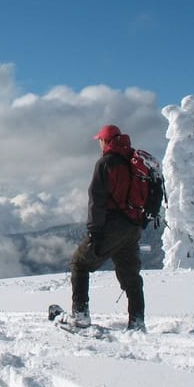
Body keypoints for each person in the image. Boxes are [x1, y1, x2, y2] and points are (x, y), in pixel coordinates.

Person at [68, 124, 146, 331]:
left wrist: (94, 231)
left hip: (112, 225)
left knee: (79, 263)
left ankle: (80, 316)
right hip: (133, 226)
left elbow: (97, 199)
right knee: (130, 275)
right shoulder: (134, 161)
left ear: (106, 141)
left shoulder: (106, 163)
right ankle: (137, 321)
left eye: (100, 140)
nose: (99, 144)